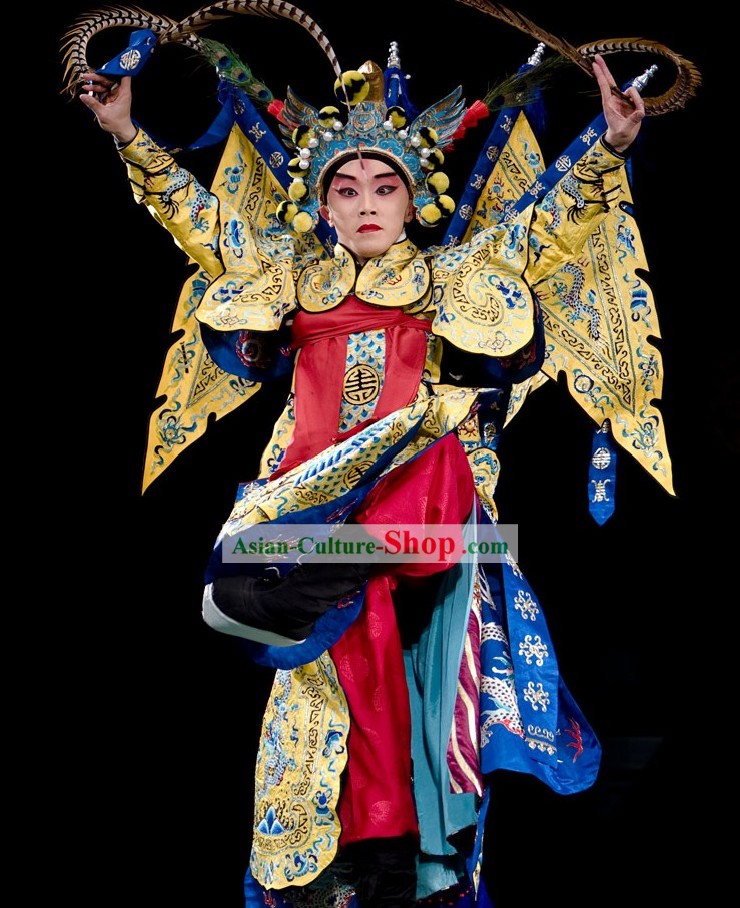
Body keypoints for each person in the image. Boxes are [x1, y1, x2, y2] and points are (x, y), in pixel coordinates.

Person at [71, 4, 693, 903]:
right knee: (311, 654)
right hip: (313, 505)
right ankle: (373, 845)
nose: (366, 204)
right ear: (322, 203)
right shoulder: (294, 275)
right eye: (348, 190)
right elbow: (200, 222)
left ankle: (416, 834)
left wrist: (608, 142)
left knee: (357, 625)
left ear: (413, 199)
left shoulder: (443, 277)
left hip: (419, 496)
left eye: (384, 188)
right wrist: (128, 133)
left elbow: (544, 221)